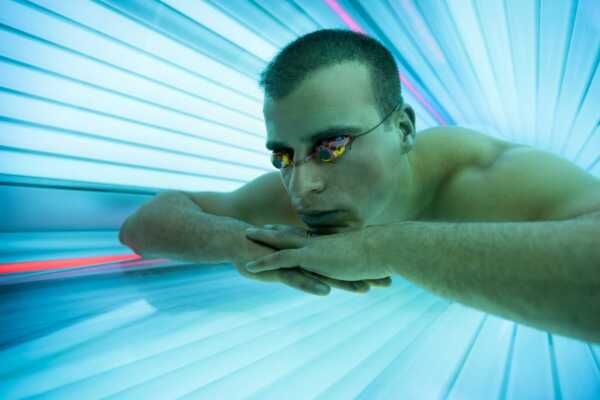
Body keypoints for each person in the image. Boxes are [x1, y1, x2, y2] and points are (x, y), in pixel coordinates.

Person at [120, 29, 600, 342]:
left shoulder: (490, 178)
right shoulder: (304, 191)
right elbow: (143, 225)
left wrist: (384, 247)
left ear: (405, 131)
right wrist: (238, 242)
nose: (302, 186)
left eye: (332, 147)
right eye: (283, 155)